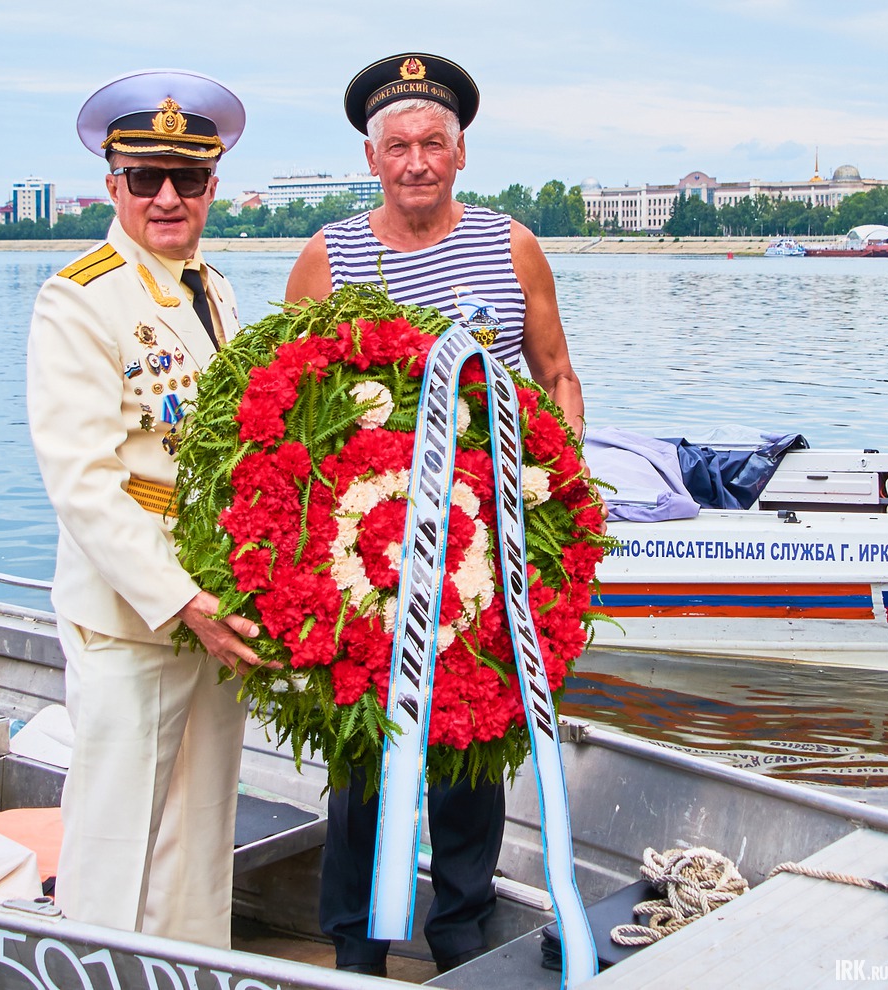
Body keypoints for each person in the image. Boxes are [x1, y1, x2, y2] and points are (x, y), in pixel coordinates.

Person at [285, 52, 586, 975]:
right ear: (370, 159)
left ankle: (460, 936)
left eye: (432, 144)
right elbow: (285, 400)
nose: (415, 161)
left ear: (460, 154)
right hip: (365, 559)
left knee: (470, 745)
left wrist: (560, 495)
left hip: (487, 543)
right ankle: (355, 949)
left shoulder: (510, 244)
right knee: (365, 759)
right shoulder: (329, 256)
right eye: (397, 146)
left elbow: (556, 376)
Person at [25, 69, 264, 949]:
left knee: (199, 837)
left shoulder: (214, 288)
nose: (168, 198)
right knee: (116, 839)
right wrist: (181, 601)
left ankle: (191, 968)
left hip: (219, 606)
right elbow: (82, 479)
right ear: (112, 184)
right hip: (139, 614)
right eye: (146, 179)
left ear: (211, 186)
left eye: (189, 178)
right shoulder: (80, 297)